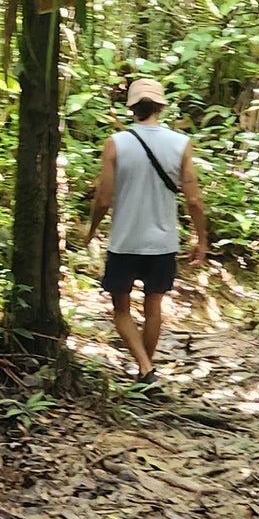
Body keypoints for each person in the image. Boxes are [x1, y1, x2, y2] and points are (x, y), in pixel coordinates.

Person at [86, 77, 207, 380]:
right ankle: (146, 370)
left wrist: (92, 230)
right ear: (161, 107)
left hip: (124, 240)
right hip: (163, 243)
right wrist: (201, 238)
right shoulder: (181, 144)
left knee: (121, 309)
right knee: (154, 309)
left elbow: (103, 198)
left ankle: (145, 367)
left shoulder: (116, 144)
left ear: (131, 108)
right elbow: (193, 199)